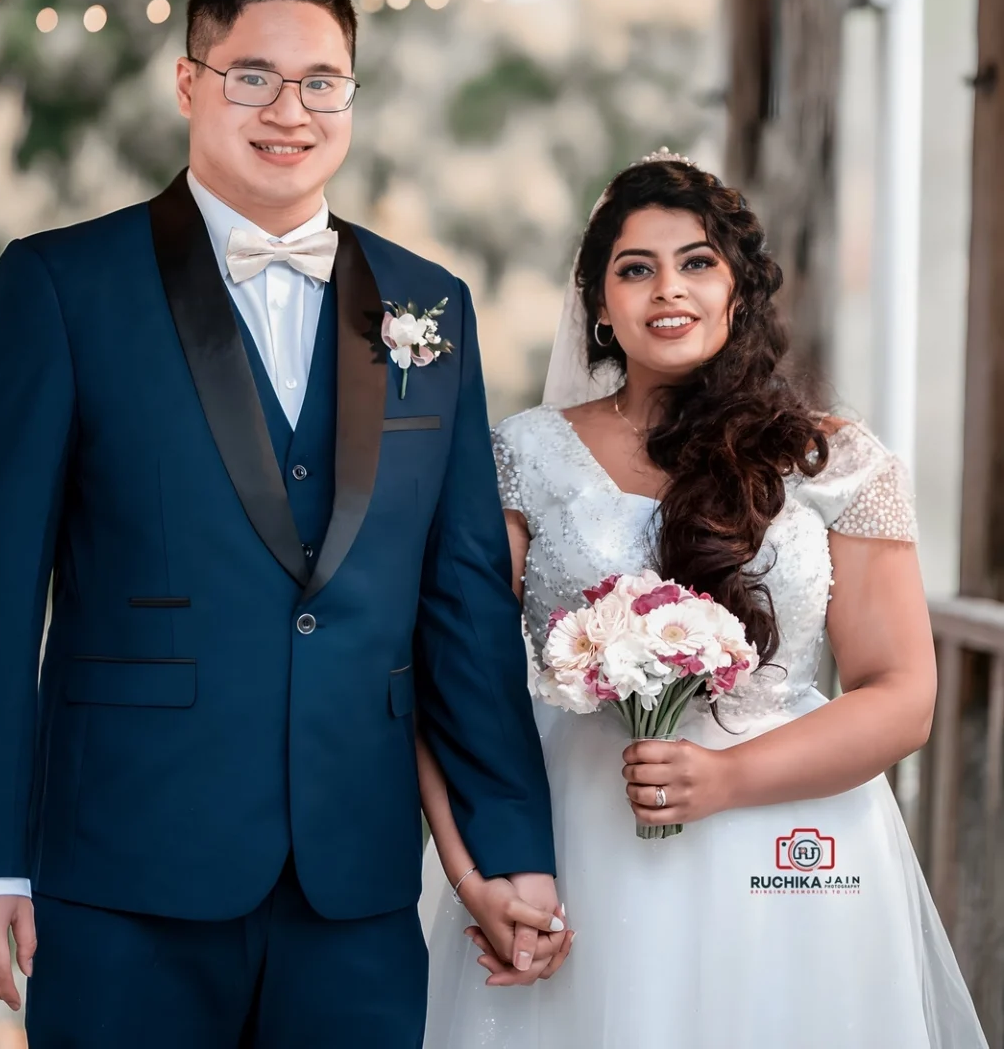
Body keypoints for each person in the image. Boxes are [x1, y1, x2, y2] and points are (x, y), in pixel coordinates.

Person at [0, 0, 564, 1048]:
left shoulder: (428, 303)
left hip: (355, 883)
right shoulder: (62, 286)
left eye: (322, 82)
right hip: (125, 870)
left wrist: (510, 851)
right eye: (252, 76)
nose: (291, 110)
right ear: (189, 84)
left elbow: (461, 602)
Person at [420, 151, 988, 1048]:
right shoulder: (524, 455)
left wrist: (727, 779)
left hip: (789, 837)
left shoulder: (834, 461)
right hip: (579, 833)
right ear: (597, 305)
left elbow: (901, 695)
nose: (665, 290)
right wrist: (472, 872)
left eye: (695, 263)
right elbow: (455, 676)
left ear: (737, 290)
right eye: (634, 269)